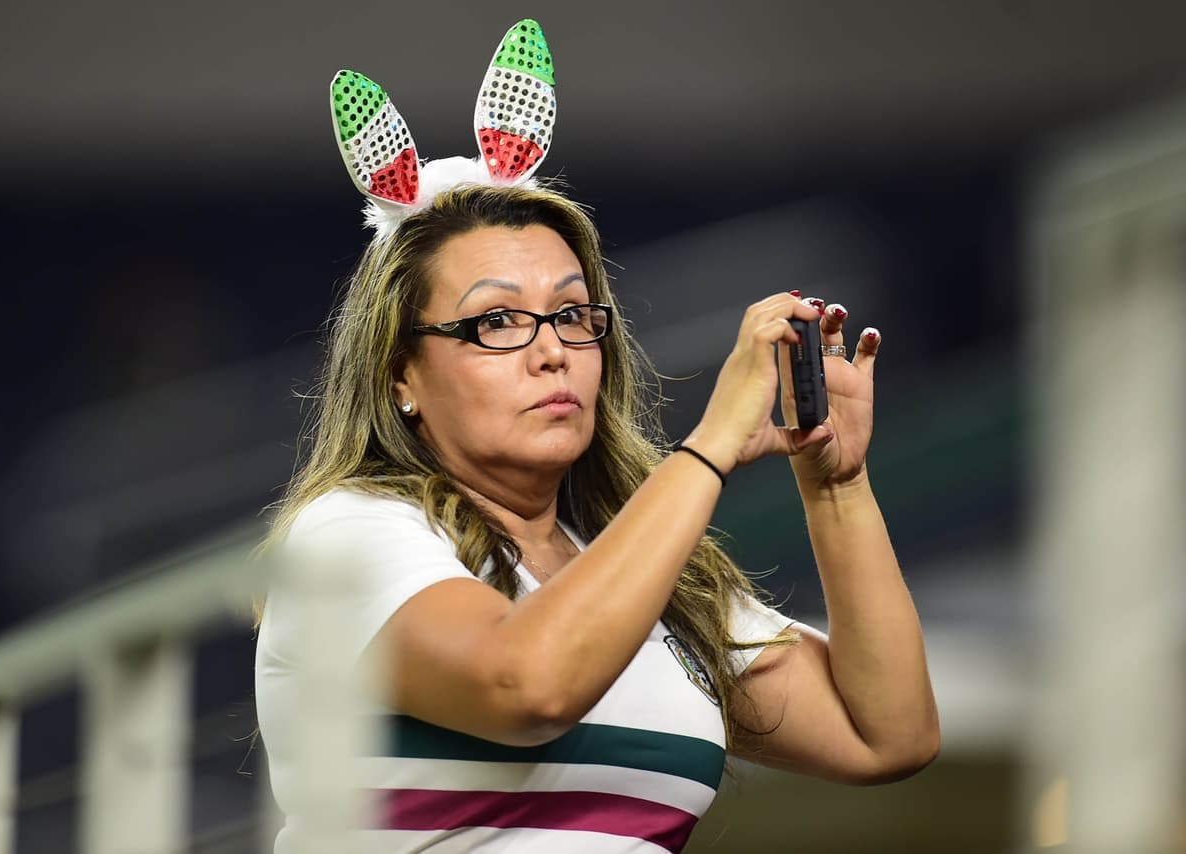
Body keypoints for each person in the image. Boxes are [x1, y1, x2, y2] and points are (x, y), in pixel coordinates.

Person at [255, 19, 938, 854]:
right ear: (402, 374)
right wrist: (710, 444)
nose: (552, 351)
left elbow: (888, 736)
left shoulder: (640, 570)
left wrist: (836, 487)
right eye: (497, 321)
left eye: (573, 315)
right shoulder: (349, 535)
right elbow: (527, 684)